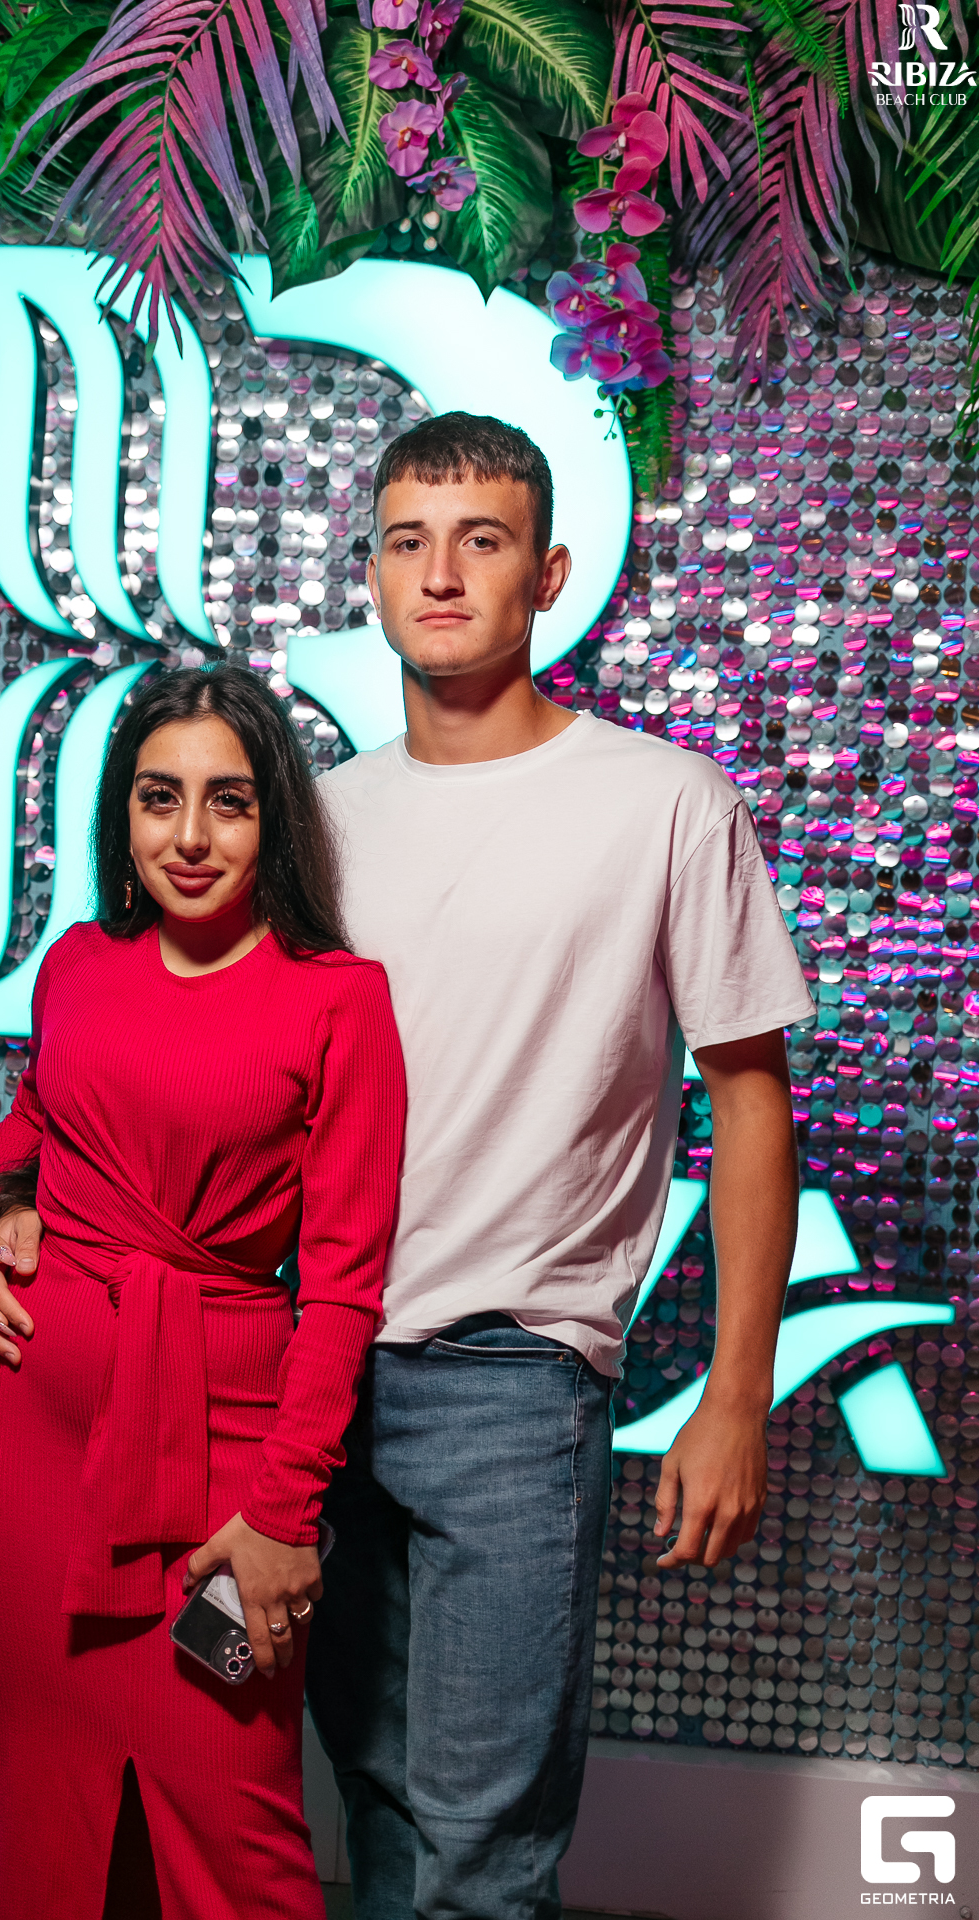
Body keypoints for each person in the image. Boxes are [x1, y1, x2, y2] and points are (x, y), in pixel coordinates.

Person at [302, 411, 815, 1920]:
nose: (439, 575)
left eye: (480, 541)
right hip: (315, 1362)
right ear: (369, 576)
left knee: (482, 1845)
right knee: (374, 1804)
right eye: (406, 542)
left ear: (549, 575)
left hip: (515, 1376)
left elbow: (750, 1104)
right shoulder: (320, 818)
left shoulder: (664, 803)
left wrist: (734, 1396)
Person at [0, 665, 406, 1920]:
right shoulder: (80, 962)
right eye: (159, 798)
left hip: (225, 1456)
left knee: (234, 1813)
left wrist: (284, 1510)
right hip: (19, 1434)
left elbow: (343, 1289)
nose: (189, 837)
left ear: (272, 819)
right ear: (122, 814)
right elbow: (32, 1126)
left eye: (226, 802)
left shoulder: (338, 999)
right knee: (41, 1791)